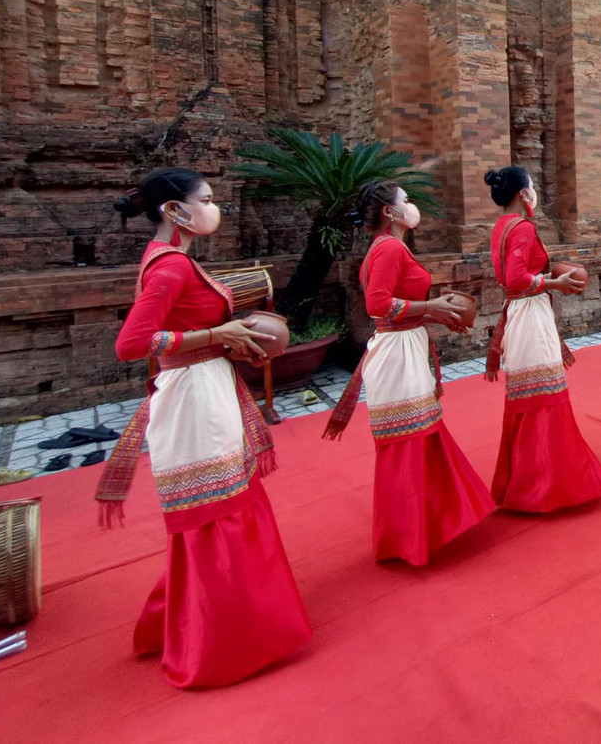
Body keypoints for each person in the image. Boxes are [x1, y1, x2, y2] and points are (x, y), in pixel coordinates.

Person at [102, 168, 311, 688]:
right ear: (175, 210)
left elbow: (183, 329)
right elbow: (132, 344)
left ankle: (209, 619)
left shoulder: (171, 259)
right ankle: (226, 639)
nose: (216, 208)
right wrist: (217, 334)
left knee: (220, 508)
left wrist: (223, 338)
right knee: (220, 511)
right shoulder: (171, 265)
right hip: (194, 397)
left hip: (204, 385)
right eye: (208, 199)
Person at [324, 181, 496, 562]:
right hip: (396, 353)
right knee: (408, 440)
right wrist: (430, 307)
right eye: (406, 199)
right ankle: (408, 535)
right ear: (390, 211)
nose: (412, 204)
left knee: (417, 436)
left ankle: (425, 527)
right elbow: (378, 305)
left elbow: (397, 307)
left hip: (403, 346)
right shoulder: (388, 247)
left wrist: (434, 313)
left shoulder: (389, 247)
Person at [484, 166, 601, 509]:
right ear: (523, 193)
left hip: (518, 313)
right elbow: (516, 278)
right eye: (532, 186)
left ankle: (526, 481)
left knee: (529, 397)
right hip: (529, 315)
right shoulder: (522, 227)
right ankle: (548, 484)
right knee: (544, 394)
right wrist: (555, 282)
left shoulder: (501, 226)